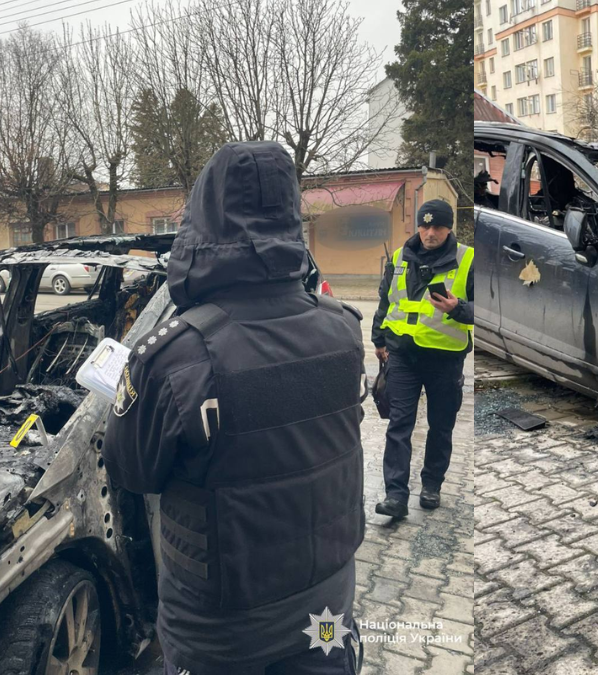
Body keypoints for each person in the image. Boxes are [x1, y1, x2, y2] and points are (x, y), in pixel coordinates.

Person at [103, 142, 365, 675]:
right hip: (327, 614)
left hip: (220, 639)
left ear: (202, 221)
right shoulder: (344, 330)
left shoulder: (173, 358)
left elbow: (131, 472)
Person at [371, 199, 473, 519]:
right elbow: (386, 300)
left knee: (441, 426)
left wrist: (458, 308)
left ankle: (432, 485)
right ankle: (395, 496)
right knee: (399, 424)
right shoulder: (399, 257)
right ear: (418, 226)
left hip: (445, 358)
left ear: (449, 228)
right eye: (425, 225)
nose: (430, 232)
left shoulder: (468, 259)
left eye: (438, 226)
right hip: (403, 355)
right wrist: (378, 339)